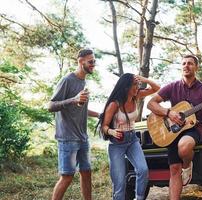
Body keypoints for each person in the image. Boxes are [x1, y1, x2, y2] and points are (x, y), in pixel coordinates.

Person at [147, 55, 202, 200]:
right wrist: (169, 113)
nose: (186, 66)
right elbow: (151, 103)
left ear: (196, 67)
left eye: (190, 63)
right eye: (183, 63)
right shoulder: (173, 87)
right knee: (174, 169)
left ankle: (187, 164)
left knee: (184, 147)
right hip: (173, 130)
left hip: (193, 128)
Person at [48, 48, 100, 200]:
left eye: (94, 62)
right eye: (90, 62)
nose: (93, 65)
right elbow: (50, 106)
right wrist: (74, 99)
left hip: (82, 137)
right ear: (80, 61)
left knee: (86, 172)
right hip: (68, 137)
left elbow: (81, 108)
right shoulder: (67, 80)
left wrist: (98, 115)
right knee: (67, 177)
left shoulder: (83, 81)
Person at [100, 73, 160, 200]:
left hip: (132, 140)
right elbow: (104, 126)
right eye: (135, 84)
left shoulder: (136, 96)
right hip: (116, 143)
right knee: (120, 182)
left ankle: (139, 198)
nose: (137, 87)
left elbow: (156, 88)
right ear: (126, 86)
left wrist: (144, 79)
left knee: (143, 170)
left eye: (138, 84)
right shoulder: (114, 104)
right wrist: (112, 132)